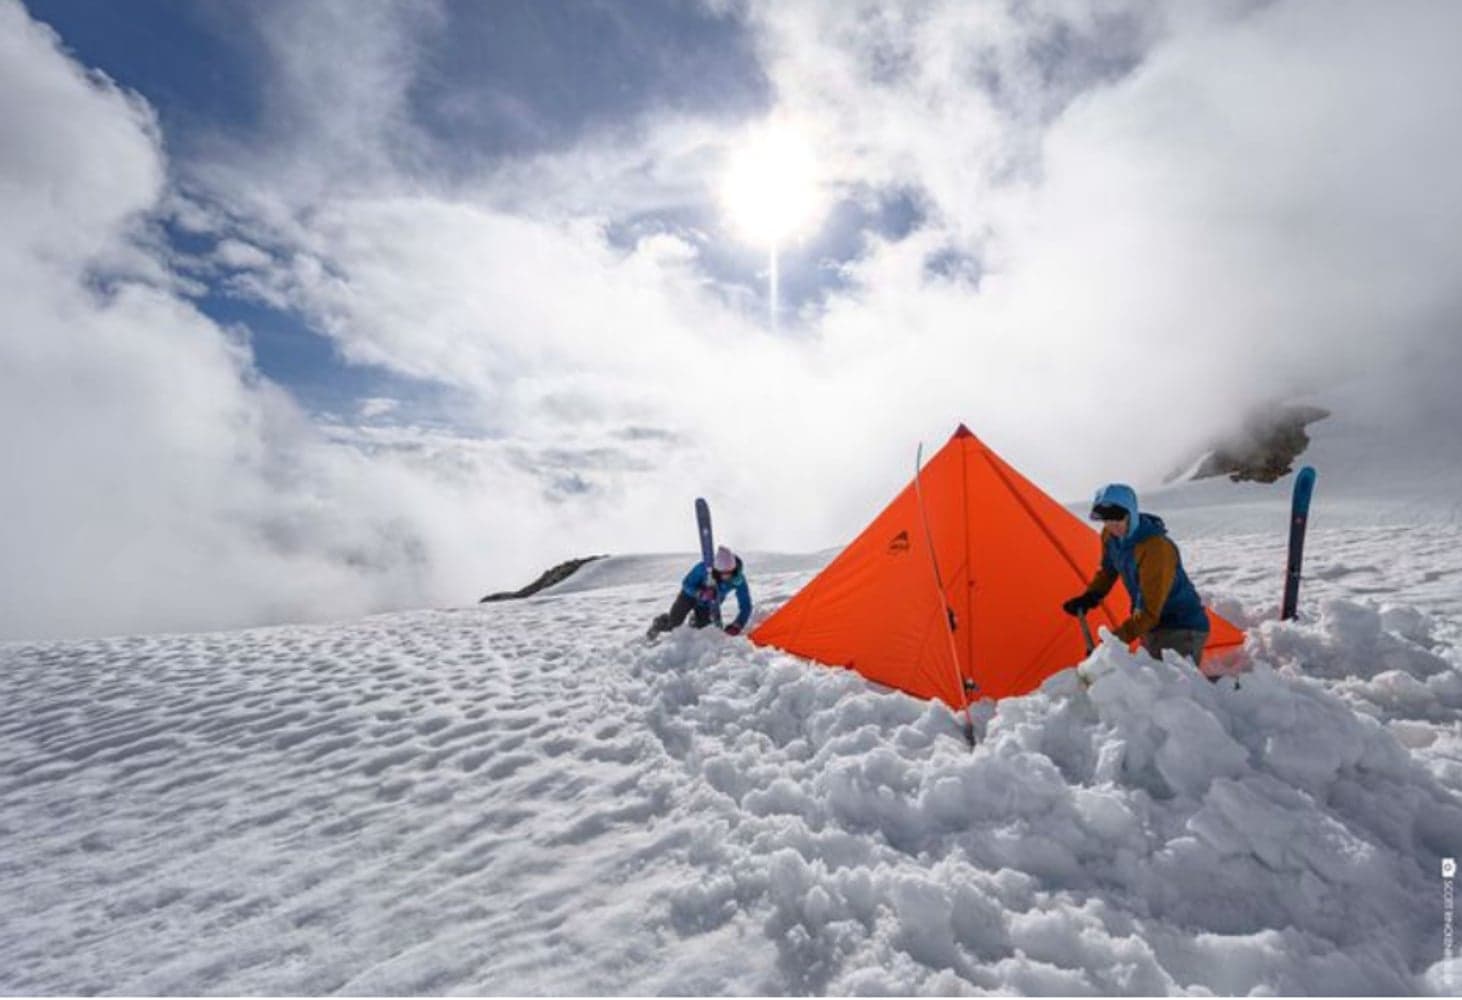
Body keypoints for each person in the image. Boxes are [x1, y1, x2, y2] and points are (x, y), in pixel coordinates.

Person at [1062, 483, 1211, 666]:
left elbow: (1149, 611)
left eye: (1117, 518)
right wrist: (1091, 596)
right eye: (1106, 520)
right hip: (1150, 627)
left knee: (1173, 689)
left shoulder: (1155, 548)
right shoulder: (1110, 536)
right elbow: (1108, 570)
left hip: (1181, 627)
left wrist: (1111, 643)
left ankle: (1230, 692)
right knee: (1150, 687)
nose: (1111, 525)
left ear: (1130, 513)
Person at [647, 546, 752, 640]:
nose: (727, 576)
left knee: (703, 631)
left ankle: (695, 619)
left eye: (730, 572)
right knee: (674, 624)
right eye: (723, 573)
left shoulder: (738, 579)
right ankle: (659, 623)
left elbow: (746, 605)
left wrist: (738, 624)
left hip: (707, 604)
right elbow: (686, 584)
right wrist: (700, 593)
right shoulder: (703, 568)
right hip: (688, 596)